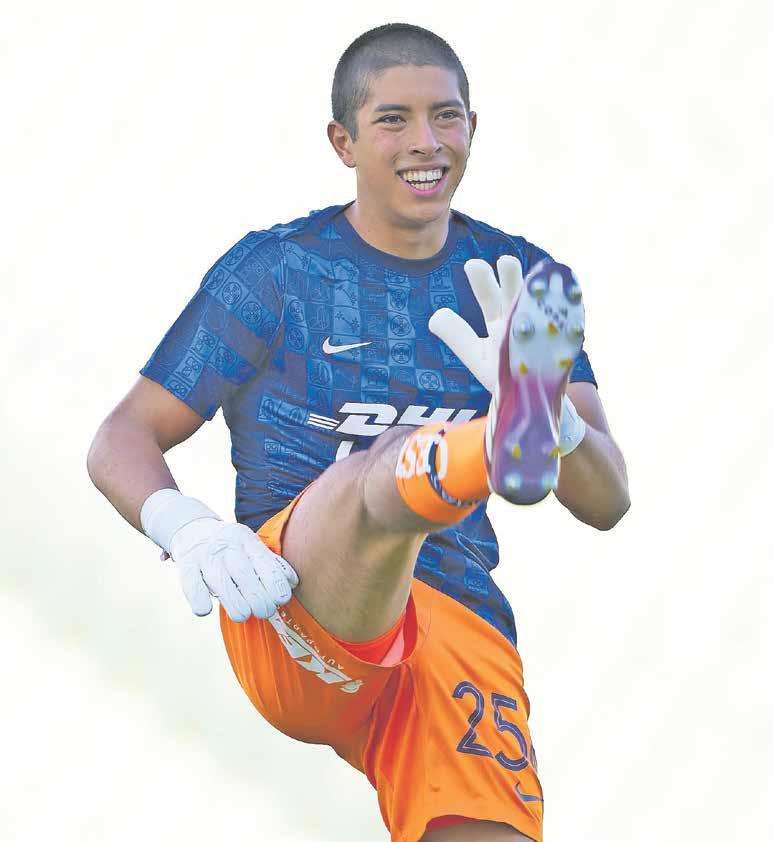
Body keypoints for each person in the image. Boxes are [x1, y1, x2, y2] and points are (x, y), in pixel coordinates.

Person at [87, 22, 630, 842]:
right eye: (392, 120)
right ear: (342, 142)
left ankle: (512, 431)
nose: (426, 141)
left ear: (473, 127)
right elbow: (121, 437)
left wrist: (556, 424)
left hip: (456, 616)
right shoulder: (277, 270)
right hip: (295, 601)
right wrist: (188, 529)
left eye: (446, 116)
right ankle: (487, 446)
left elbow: (607, 500)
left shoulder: (519, 279)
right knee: (379, 481)